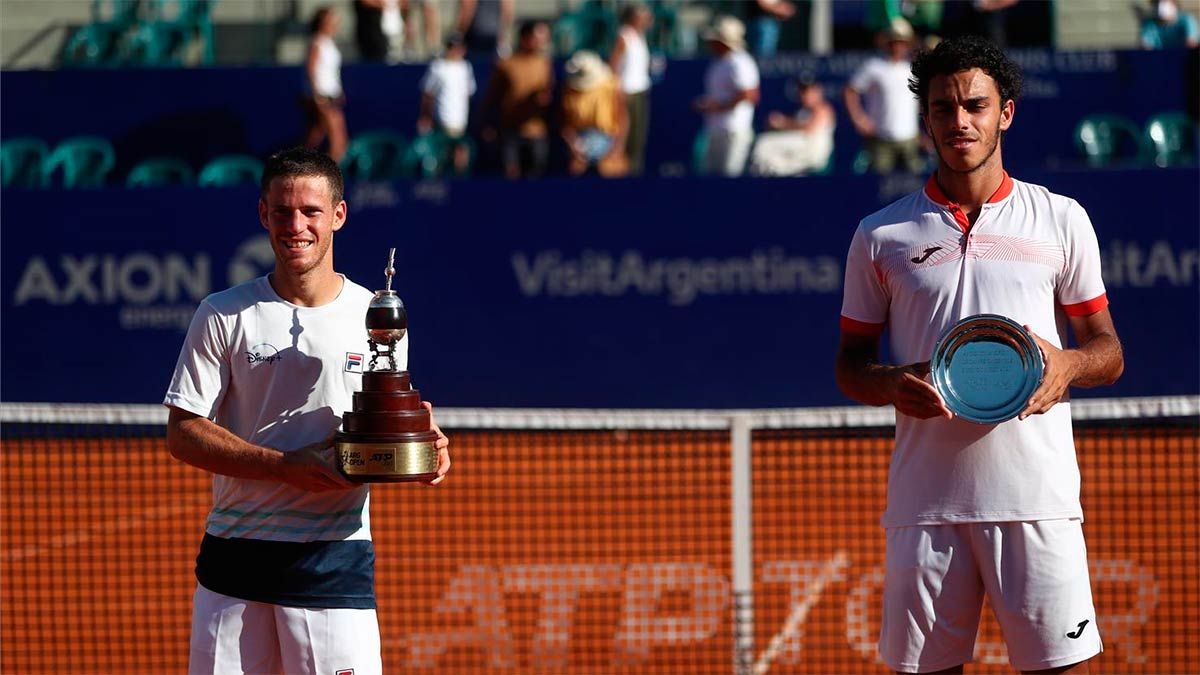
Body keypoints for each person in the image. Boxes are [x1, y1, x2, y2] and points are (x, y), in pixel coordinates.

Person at [835, 36, 1123, 675]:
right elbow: (850, 365)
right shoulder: (881, 234)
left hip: (1036, 499)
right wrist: (890, 382)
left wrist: (1068, 365)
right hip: (926, 507)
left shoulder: (1061, 218)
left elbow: (1107, 351)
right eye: (943, 108)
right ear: (926, 119)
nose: (959, 121)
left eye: (975, 105)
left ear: (1006, 113)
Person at [164, 147, 452, 674]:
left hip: (331, 561)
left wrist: (421, 443)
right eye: (282, 212)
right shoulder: (222, 313)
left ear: (338, 215)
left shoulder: (376, 316)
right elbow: (183, 433)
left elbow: (382, 423)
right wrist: (283, 466)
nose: (295, 225)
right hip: (235, 561)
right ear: (263, 215)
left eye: (310, 211)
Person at [844, 17, 924, 174]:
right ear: (887, 43)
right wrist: (859, 119)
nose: (898, 46)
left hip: (910, 139)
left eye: (902, 42)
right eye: (894, 41)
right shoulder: (873, 66)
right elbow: (850, 91)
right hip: (881, 139)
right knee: (880, 187)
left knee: (916, 186)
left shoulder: (913, 68)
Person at [478, 20, 554, 179]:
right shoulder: (506, 64)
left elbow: (548, 93)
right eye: (537, 37)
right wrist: (487, 123)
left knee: (536, 175)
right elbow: (492, 97)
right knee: (511, 174)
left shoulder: (545, 64)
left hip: (536, 132)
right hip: (510, 131)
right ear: (525, 38)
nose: (541, 42)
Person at [692, 16, 760, 177]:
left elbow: (750, 94)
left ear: (723, 41)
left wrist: (718, 106)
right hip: (715, 130)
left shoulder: (740, 62)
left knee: (729, 181)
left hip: (734, 131)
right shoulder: (720, 62)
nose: (710, 43)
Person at [560, 50, 628, 177]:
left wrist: (616, 150)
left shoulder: (610, 86)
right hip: (579, 142)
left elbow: (622, 118)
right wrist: (574, 148)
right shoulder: (569, 91)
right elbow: (566, 124)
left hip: (608, 140)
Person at [749, 77, 835, 176]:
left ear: (818, 91)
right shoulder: (802, 112)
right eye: (802, 91)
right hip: (797, 154)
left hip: (814, 154)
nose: (805, 95)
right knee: (767, 158)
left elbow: (809, 129)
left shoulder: (823, 109)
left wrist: (782, 122)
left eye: (809, 91)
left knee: (765, 143)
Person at [418, 33, 476, 174]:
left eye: (458, 47)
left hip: (460, 123)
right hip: (441, 121)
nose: (454, 51)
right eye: (451, 47)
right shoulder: (437, 67)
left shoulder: (466, 68)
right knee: (442, 157)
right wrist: (426, 117)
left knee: (460, 158)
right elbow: (428, 94)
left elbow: (468, 94)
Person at [609, 3, 653, 176]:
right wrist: (617, 90)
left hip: (639, 91)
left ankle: (633, 173)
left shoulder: (639, 36)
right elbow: (613, 64)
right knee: (626, 138)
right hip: (626, 93)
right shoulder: (624, 36)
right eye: (643, 16)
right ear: (633, 18)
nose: (648, 19)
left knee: (638, 138)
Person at [303, 6, 349, 162]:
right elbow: (310, 70)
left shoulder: (329, 43)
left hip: (331, 95)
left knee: (317, 134)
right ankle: (332, 176)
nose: (334, 24)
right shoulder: (317, 42)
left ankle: (298, 165)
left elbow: (331, 72)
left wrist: (338, 91)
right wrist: (318, 95)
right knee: (337, 138)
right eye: (330, 21)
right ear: (322, 23)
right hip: (321, 96)